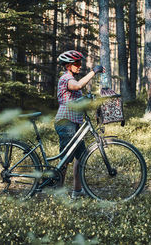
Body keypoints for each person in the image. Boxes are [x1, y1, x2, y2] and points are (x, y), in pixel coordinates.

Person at [54, 50, 104, 198]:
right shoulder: (65, 78)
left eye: (80, 63)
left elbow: (77, 100)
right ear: (68, 65)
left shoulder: (71, 78)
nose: (79, 66)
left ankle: (77, 190)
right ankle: (58, 192)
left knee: (81, 157)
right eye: (76, 63)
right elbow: (78, 86)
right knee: (65, 159)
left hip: (74, 122)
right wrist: (93, 72)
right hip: (66, 122)